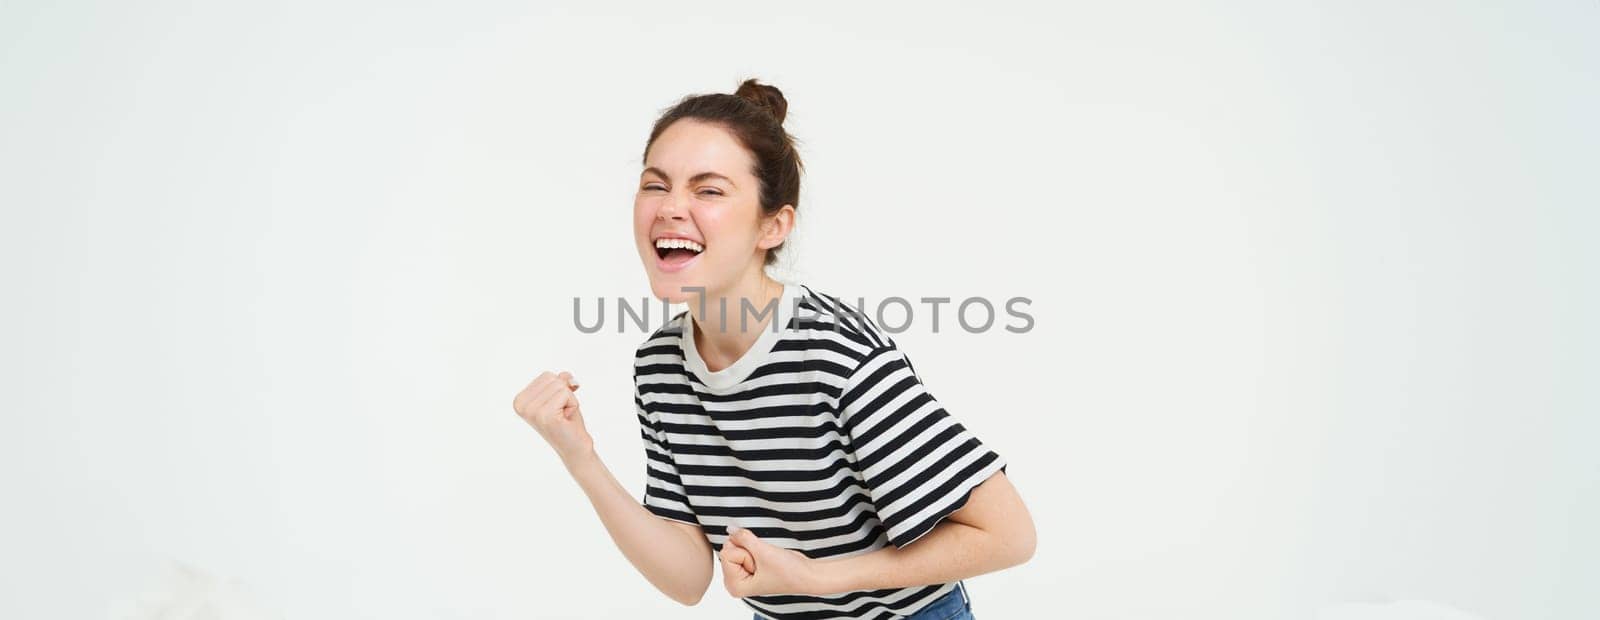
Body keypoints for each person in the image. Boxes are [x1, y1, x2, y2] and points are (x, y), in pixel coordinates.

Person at [513, 78, 1036, 619]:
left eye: (708, 190)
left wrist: (816, 577)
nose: (671, 208)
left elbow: (1008, 534)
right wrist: (582, 458)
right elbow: (689, 577)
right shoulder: (660, 366)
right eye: (655, 185)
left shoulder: (836, 355)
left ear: (773, 225)